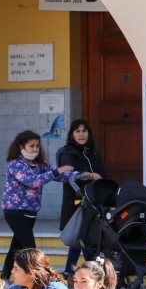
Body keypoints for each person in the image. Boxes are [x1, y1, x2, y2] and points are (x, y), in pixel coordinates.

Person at [0, 130, 91, 280]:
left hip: (30, 212)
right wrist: (56, 172)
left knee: (16, 247)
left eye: (37, 146)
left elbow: (60, 174)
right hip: (15, 212)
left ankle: (3, 278)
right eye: (32, 146)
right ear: (21, 147)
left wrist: (79, 175)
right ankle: (38, 278)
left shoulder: (38, 165)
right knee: (30, 246)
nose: (35, 149)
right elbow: (32, 181)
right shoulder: (15, 165)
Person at [57, 119, 106, 279]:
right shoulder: (68, 153)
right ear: (72, 134)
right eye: (77, 131)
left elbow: (102, 174)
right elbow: (69, 174)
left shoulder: (93, 152)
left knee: (80, 235)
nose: (81, 134)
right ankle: (94, 273)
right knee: (83, 236)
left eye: (84, 131)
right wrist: (88, 175)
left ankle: (68, 271)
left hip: (94, 200)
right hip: (77, 201)